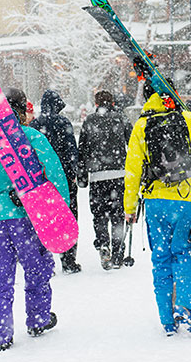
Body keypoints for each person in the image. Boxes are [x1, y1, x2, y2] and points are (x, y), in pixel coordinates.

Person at [124, 82, 191, 336]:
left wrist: (130, 207)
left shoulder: (141, 126)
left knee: (161, 258)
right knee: (185, 254)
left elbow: (132, 170)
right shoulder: (187, 119)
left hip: (154, 202)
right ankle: (185, 305)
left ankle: (167, 319)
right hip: (185, 199)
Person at [0, 87, 69, 351]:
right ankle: (38, 318)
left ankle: (0, 332)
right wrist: (62, 210)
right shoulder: (31, 137)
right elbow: (55, 175)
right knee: (36, 267)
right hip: (26, 216)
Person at [77, 90, 132, 270]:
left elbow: (82, 149)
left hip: (97, 176)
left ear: (96, 103)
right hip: (118, 174)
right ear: (112, 102)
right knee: (117, 215)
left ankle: (103, 244)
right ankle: (117, 253)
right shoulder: (121, 119)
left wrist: (82, 174)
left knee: (99, 214)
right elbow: (132, 144)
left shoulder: (89, 121)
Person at [30, 90, 81, 274]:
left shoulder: (35, 125)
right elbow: (72, 151)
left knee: (44, 220)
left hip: (42, 181)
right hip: (64, 180)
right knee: (68, 216)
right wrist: (73, 170)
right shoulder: (63, 123)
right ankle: (68, 259)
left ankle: (44, 259)